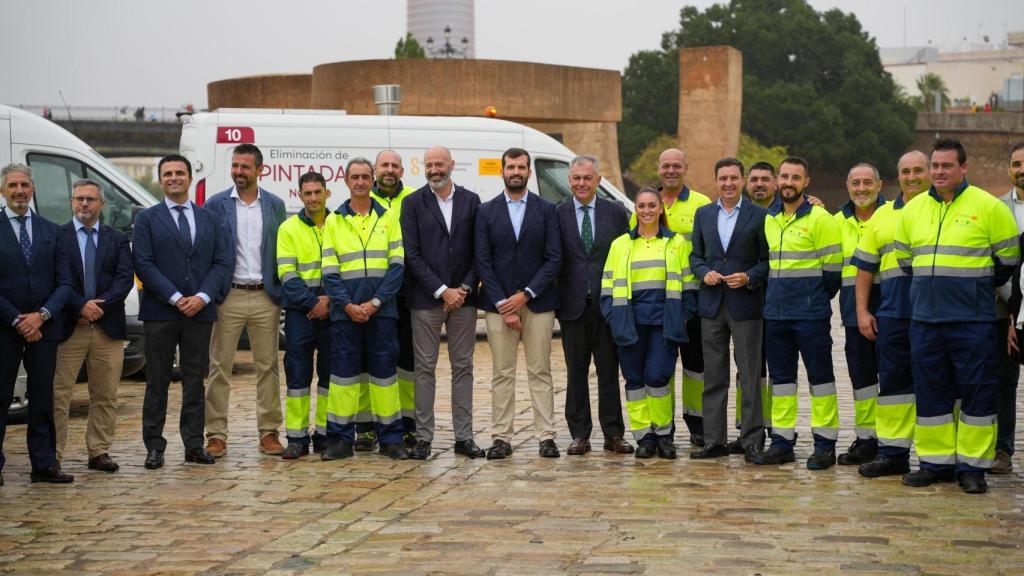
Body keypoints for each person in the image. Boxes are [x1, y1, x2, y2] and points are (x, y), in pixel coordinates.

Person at [894, 139, 1019, 494]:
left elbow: (1007, 261)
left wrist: (972, 289)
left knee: (977, 393)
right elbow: (905, 260)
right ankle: (935, 463)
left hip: (972, 320)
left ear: (964, 168)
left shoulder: (989, 208)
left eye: (947, 166)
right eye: (935, 166)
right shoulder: (914, 209)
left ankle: (973, 468)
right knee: (931, 392)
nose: (939, 172)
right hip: (925, 320)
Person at [134, 154, 231, 469]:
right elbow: (144, 264)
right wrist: (176, 297)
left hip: (199, 313)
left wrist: (202, 296)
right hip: (161, 312)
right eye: (167, 174)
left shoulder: (210, 219)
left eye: (179, 173)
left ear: (190, 178)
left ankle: (193, 444)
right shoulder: (147, 219)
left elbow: (222, 262)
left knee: (194, 380)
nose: (174, 177)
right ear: (160, 180)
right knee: (157, 381)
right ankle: (154, 446)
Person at [754, 156, 843, 470]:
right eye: (784, 176)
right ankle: (781, 442)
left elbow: (833, 271)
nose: (788, 182)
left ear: (807, 182)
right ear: (778, 181)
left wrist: (814, 299)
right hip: (776, 315)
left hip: (810, 315)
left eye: (796, 177)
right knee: (781, 383)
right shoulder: (769, 217)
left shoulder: (821, 219)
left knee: (821, 381)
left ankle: (825, 443)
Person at [476, 147, 562, 459]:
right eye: (511, 167)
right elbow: (483, 261)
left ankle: (546, 436)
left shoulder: (547, 210)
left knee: (540, 370)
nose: (516, 171)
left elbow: (554, 259)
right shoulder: (486, 211)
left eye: (521, 167)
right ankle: (501, 437)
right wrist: (504, 303)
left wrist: (525, 294)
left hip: (537, 302)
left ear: (528, 171)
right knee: (502, 372)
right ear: (502, 171)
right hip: (498, 304)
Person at [203, 143, 288, 458]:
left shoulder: (275, 205)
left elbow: (281, 248)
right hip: (229, 297)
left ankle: (269, 432)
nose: (238, 172)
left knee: (268, 367)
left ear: (259, 170)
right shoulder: (215, 205)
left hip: (266, 296)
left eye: (245, 167)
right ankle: (215, 435)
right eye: (235, 166)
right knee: (219, 368)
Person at [401, 146, 485, 460]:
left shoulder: (471, 201)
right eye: (429, 165)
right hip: (426, 299)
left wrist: (462, 288)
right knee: (424, 369)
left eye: (440, 164)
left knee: (463, 368)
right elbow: (412, 254)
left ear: (452, 164)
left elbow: (480, 250)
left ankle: (464, 437)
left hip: (464, 299)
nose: (435, 169)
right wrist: (441, 290)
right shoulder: (412, 204)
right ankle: (424, 439)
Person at [320, 158, 407, 460]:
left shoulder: (388, 218)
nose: (360, 182)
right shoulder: (334, 220)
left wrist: (375, 303)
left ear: (372, 180)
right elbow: (329, 271)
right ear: (345, 181)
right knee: (343, 379)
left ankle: (392, 439)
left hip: (381, 313)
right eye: (354, 177)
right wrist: (347, 305)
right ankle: (340, 440)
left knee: (384, 379)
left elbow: (397, 267)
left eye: (365, 177)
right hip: (345, 315)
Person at [852, 151, 931, 478]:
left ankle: (937, 459)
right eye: (905, 171)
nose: (911, 177)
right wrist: (862, 311)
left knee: (936, 386)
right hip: (895, 315)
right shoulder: (881, 217)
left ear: (930, 173)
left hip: (934, 316)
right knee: (894, 388)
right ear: (896, 177)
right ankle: (893, 454)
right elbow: (865, 270)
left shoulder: (941, 210)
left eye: (918, 170)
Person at [603, 186, 697, 459]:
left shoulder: (676, 243)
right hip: (629, 323)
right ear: (636, 210)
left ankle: (664, 435)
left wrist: (684, 315)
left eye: (651, 206)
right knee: (634, 380)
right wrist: (613, 317)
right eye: (641, 206)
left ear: (660, 209)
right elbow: (608, 287)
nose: (646, 210)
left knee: (657, 378)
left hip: (664, 323)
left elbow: (690, 285)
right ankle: (644, 437)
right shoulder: (620, 245)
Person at [689, 158, 769, 462]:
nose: (728, 183)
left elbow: (767, 260)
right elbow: (695, 255)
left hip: (745, 304)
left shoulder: (759, 215)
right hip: (711, 304)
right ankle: (714, 440)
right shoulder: (703, 214)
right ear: (716, 181)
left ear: (743, 180)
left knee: (749, 375)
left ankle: (751, 439)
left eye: (734, 178)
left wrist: (749, 277)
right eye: (723, 178)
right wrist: (703, 272)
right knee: (714, 375)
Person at [52, 179, 134, 473]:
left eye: (90, 199)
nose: (83, 204)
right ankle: (53, 454)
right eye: (78, 199)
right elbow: (54, 278)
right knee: (58, 394)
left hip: (106, 328)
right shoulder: (57, 237)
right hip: (67, 327)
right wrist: (79, 305)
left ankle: (99, 451)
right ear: (71, 203)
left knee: (105, 393)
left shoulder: (116, 239)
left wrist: (98, 307)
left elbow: (125, 279)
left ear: (102, 204)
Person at [629, 148, 710, 446]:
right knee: (659, 370)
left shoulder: (701, 204)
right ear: (659, 169)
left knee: (695, 368)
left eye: (677, 165)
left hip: (691, 303)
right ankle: (663, 429)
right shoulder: (646, 203)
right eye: (666, 166)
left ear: (686, 168)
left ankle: (697, 423)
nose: (671, 170)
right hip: (653, 307)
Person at [0, 163, 73, 485]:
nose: (19, 191)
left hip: (44, 329)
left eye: (24, 185)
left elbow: (65, 282)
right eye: (12, 185)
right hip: (4, 328)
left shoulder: (51, 231)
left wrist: (41, 315)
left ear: (33, 189)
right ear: (3, 191)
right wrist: (16, 318)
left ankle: (44, 464)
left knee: (43, 398)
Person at [556, 155, 632, 456]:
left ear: (598, 180)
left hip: (607, 306)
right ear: (569, 180)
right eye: (576, 178)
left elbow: (626, 253)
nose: (581, 183)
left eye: (587, 178)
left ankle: (613, 433)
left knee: (609, 371)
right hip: (572, 305)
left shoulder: (615, 212)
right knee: (576, 372)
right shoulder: (558, 213)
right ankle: (579, 434)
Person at [362, 150, 417, 451]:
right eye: (385, 165)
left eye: (395, 166)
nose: (390, 170)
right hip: (372, 295)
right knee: (372, 363)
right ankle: (368, 426)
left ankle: (407, 424)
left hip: (407, 295)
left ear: (402, 171)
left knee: (407, 364)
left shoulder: (414, 198)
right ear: (374, 169)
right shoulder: (361, 201)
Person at [833, 164, 886, 467]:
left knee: (893, 381)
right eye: (856, 183)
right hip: (854, 313)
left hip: (891, 309)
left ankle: (891, 444)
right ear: (847, 185)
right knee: (862, 380)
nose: (862, 188)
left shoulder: (892, 215)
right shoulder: (834, 221)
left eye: (868, 182)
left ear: (880, 185)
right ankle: (867, 440)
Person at [277, 171, 332, 459]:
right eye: (307, 193)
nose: (312, 198)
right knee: (297, 375)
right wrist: (314, 303)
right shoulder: (288, 229)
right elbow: (287, 274)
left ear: (327, 193)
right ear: (300, 195)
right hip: (301, 313)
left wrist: (330, 302)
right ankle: (297, 438)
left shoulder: (340, 223)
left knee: (330, 375)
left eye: (317, 192)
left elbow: (348, 268)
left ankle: (324, 434)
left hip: (334, 312)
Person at [996, 142, 1024, 475]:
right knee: (1003, 382)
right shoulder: (996, 208)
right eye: (1016, 163)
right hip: (1005, 313)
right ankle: (1002, 449)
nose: (1021, 169)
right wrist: (1011, 313)